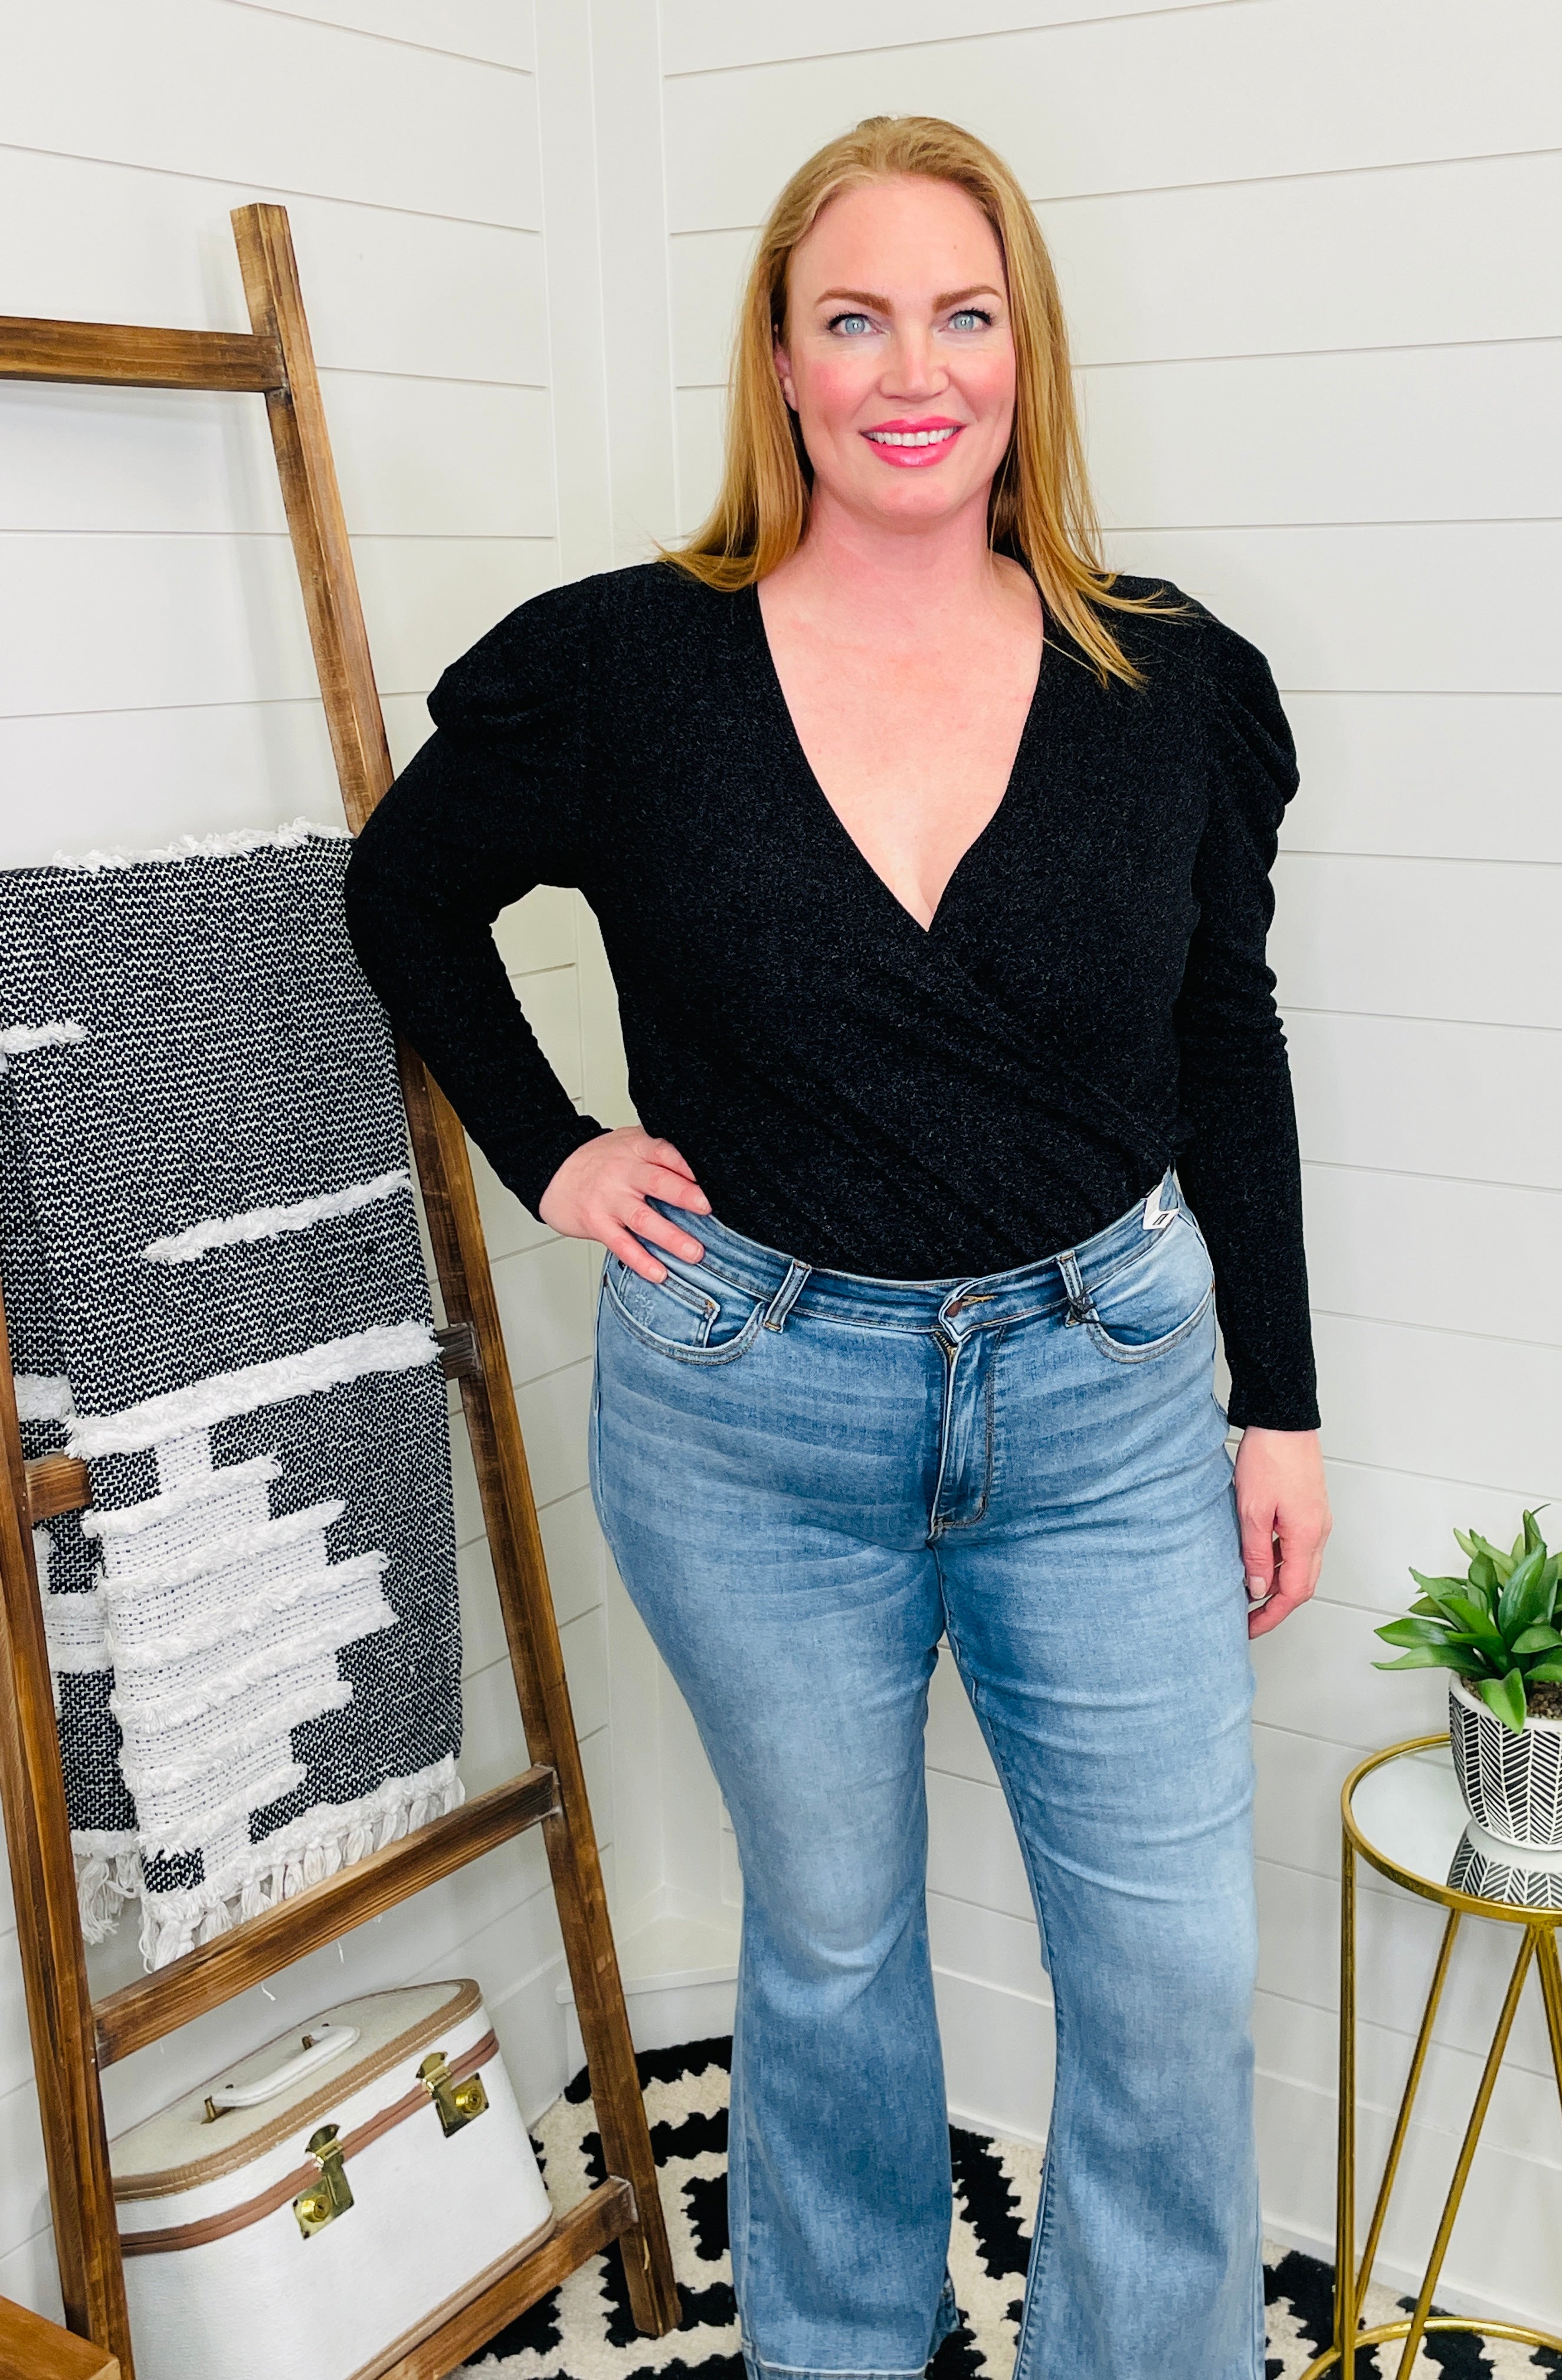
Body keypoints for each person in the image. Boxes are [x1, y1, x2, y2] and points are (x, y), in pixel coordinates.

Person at [345, 112, 1329, 2380]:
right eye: (855, 318)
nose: (915, 370)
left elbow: (1229, 1035)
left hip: (1105, 1399)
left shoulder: (1172, 684)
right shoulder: (625, 669)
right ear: (779, 362)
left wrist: (1276, 1402)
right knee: (833, 1947)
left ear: (1024, 353)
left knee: (1171, 1970)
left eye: (964, 317)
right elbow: (406, 889)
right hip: (752, 1414)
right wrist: (552, 1151)